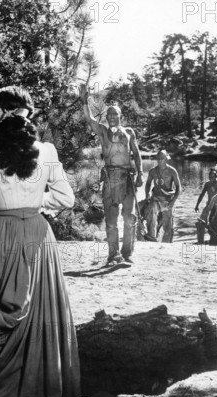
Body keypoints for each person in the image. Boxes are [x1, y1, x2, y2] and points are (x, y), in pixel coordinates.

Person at [0, 86, 81, 397]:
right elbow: (66, 198)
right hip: (37, 237)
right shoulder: (47, 151)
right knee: (41, 318)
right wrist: (35, 203)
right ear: (28, 114)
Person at [79, 84, 143, 264]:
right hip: (110, 178)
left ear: (120, 116)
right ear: (106, 117)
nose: (113, 117)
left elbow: (137, 154)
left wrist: (140, 174)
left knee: (129, 218)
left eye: (116, 114)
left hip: (127, 178)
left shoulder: (129, 132)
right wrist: (85, 101)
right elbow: (89, 118)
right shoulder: (103, 131)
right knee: (111, 219)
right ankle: (113, 254)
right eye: (110, 114)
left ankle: (128, 252)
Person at [144, 150, 180, 243]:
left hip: (168, 200)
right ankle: (151, 238)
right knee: (151, 213)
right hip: (155, 198)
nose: (160, 161)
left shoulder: (172, 171)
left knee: (168, 226)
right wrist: (147, 194)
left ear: (166, 159)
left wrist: (173, 201)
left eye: (162, 159)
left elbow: (178, 187)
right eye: (158, 159)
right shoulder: (152, 171)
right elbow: (148, 183)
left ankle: (166, 244)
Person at [195, 166, 217, 244]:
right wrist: (197, 205)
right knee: (201, 221)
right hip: (209, 205)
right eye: (210, 177)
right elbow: (202, 194)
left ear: (216, 176)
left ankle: (216, 239)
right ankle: (200, 241)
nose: (211, 179)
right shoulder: (207, 184)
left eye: (213, 177)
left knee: (214, 223)